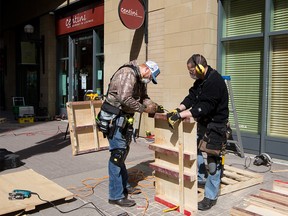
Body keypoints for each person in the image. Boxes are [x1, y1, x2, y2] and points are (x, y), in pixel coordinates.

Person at [167, 54, 229, 211]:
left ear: (201, 68)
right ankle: (201, 179)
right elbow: (192, 97)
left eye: (191, 69)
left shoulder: (215, 81)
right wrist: (178, 109)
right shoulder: (201, 81)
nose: (190, 73)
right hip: (204, 123)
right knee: (194, 149)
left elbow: (204, 107)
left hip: (216, 126)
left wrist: (181, 115)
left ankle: (210, 197)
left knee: (213, 163)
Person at [96, 60, 162, 207]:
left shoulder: (140, 79)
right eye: (151, 77)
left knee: (123, 151)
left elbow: (143, 96)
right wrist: (143, 109)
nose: (149, 80)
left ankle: (124, 185)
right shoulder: (128, 73)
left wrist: (151, 105)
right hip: (115, 117)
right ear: (146, 69)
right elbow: (124, 98)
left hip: (124, 118)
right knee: (117, 155)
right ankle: (115, 196)